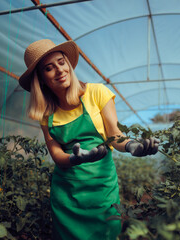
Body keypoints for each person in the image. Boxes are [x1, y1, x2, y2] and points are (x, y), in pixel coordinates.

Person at [19, 39, 159, 240]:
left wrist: (132, 145)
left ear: (68, 63)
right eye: (49, 68)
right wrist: (77, 159)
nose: (59, 70)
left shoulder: (96, 93)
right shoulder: (46, 113)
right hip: (67, 194)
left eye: (61, 62)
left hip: (101, 188)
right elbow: (57, 154)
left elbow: (115, 135)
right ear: (41, 79)